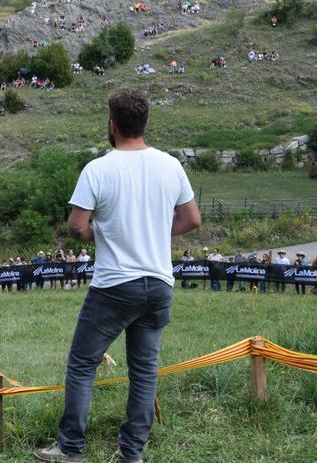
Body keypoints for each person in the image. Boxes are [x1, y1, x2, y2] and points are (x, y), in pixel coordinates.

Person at [34, 88, 201, 463]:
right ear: (145, 123)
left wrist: (104, 233)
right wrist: (155, 230)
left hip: (114, 284)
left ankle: (70, 447)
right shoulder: (171, 165)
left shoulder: (98, 169)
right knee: (144, 370)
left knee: (82, 364)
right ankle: (131, 452)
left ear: (112, 124)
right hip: (159, 284)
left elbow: (77, 227)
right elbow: (192, 219)